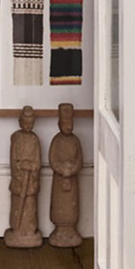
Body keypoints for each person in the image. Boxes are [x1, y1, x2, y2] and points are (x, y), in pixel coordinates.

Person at [4, 105, 43, 248]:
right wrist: (21, 166)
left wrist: (32, 167)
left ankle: (29, 231)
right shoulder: (16, 138)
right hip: (19, 180)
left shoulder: (35, 140)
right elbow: (13, 160)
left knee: (30, 206)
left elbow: (38, 162)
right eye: (25, 122)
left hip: (30, 181)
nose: (28, 126)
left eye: (31, 123)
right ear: (20, 122)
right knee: (17, 205)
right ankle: (17, 229)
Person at [48, 103, 83, 247]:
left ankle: (70, 230)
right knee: (59, 205)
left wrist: (72, 169)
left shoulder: (75, 141)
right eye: (65, 124)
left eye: (70, 123)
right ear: (59, 124)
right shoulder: (56, 140)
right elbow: (52, 160)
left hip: (72, 180)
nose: (68, 127)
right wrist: (62, 169)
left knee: (71, 206)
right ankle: (59, 229)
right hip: (59, 180)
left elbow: (79, 160)